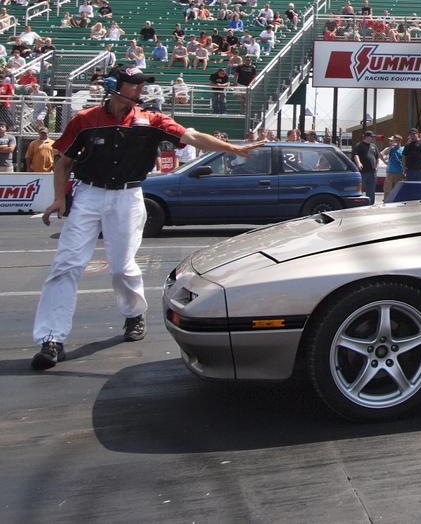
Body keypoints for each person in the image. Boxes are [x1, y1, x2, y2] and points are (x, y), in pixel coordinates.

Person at [30, 65, 262, 370]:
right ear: (115, 86)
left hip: (128, 196)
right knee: (66, 265)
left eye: (142, 84)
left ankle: (133, 314)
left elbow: (191, 136)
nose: (141, 88)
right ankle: (51, 338)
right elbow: (63, 163)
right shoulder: (85, 120)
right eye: (134, 83)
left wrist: (230, 147)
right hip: (89, 195)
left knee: (122, 267)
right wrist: (59, 198)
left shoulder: (152, 120)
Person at [352, 131, 379, 204]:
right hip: (363, 172)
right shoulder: (359, 145)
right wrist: (359, 163)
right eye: (371, 136)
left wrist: (376, 166)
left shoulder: (374, 146)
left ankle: (371, 204)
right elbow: (356, 155)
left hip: (372, 172)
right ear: (366, 137)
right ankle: (359, 204)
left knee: (371, 190)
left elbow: (377, 157)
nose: (372, 138)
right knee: (360, 189)